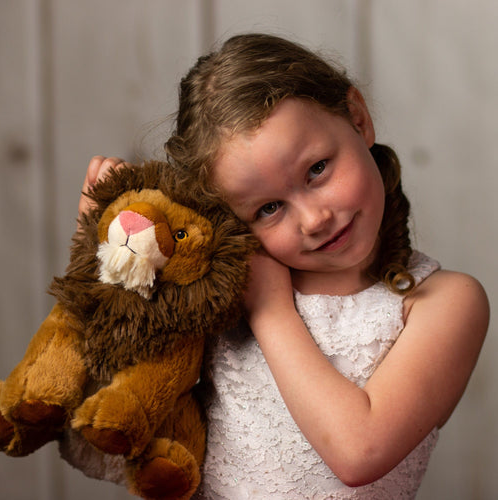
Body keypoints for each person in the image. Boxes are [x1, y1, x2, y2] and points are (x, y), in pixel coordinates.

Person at [79, 34, 489, 499]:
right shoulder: (224, 288)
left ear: (358, 118)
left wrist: (272, 313)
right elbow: (118, 410)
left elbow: (359, 452)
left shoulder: (443, 302)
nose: (314, 219)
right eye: (269, 208)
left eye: (317, 169)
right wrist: (106, 260)